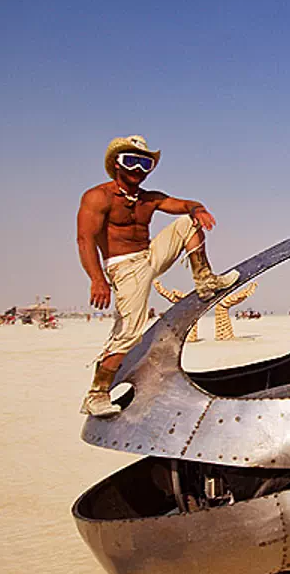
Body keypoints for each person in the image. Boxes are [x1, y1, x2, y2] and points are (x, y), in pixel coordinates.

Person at [76, 135, 239, 417]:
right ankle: (96, 394)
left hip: (150, 254)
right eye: (131, 161)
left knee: (188, 222)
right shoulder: (98, 197)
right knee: (129, 331)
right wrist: (97, 279)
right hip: (124, 266)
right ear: (117, 164)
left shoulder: (148, 199)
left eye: (145, 163)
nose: (138, 170)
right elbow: (84, 240)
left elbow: (185, 203)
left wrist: (197, 209)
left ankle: (204, 279)